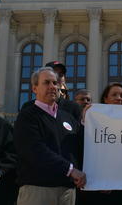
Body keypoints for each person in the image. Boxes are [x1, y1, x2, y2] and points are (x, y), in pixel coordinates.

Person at [14, 67, 86, 205]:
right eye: (46, 83)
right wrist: (70, 170)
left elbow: (80, 149)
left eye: (55, 83)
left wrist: (88, 120)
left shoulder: (68, 118)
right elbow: (35, 150)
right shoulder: (27, 116)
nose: (52, 86)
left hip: (67, 192)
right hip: (38, 190)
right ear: (35, 88)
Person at [84, 83, 122, 205]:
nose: (119, 98)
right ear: (105, 99)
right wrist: (85, 119)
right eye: (114, 95)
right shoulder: (94, 120)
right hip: (98, 187)